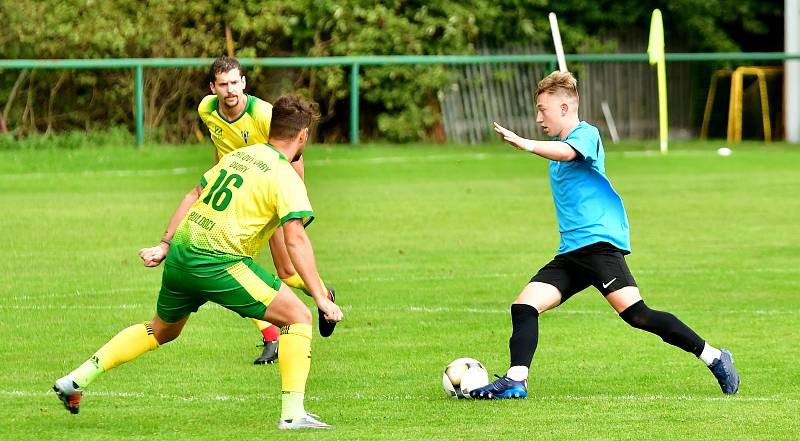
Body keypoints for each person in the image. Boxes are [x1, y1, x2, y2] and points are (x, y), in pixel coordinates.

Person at [53, 95, 344, 429]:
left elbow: (195, 193)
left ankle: (74, 380)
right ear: (303, 136)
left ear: (271, 126)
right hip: (218, 262)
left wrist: (165, 244)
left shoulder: (240, 156)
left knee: (159, 330)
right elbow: (295, 238)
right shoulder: (285, 175)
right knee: (298, 317)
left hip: (182, 252)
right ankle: (293, 415)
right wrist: (321, 297)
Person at [470, 71, 740, 399]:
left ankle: (715, 357)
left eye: (543, 109)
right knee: (524, 306)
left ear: (565, 109)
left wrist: (525, 144)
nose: (538, 117)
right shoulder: (558, 147)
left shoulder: (586, 135)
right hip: (572, 252)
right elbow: (561, 153)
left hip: (598, 247)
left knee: (638, 315)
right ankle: (516, 379)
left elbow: (570, 153)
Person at [198, 55, 336, 365]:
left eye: (235, 82)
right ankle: (272, 334)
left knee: (286, 273)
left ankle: (322, 296)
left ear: (244, 82)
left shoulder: (263, 114)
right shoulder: (206, 109)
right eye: (223, 84)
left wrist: (293, 207)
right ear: (213, 87)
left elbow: (293, 155)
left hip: (265, 198)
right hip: (234, 195)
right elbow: (220, 147)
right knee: (227, 264)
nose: (230, 90)